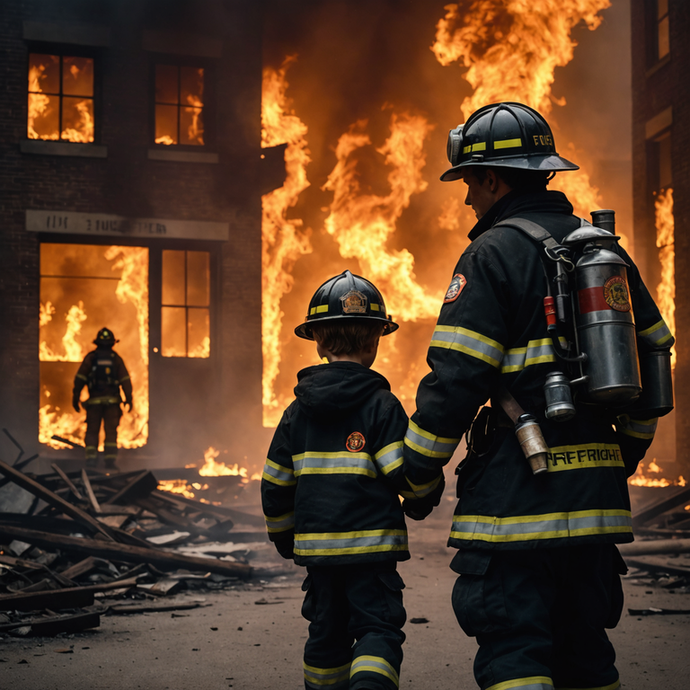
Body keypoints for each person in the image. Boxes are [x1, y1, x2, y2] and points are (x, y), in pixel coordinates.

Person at [402, 102, 674, 690]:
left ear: (494, 179)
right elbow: (654, 356)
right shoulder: (605, 253)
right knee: (586, 655)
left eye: (470, 183)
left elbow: (456, 380)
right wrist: (620, 454)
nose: (468, 198)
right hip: (597, 501)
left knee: (515, 653)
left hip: (516, 505)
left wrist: (418, 473)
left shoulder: (490, 255)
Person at [261, 270, 436, 690]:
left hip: (317, 557)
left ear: (318, 341)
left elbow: (275, 486)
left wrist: (286, 539)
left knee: (326, 636)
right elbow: (407, 478)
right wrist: (423, 496)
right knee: (378, 629)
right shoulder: (382, 406)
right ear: (375, 341)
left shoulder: (295, 413)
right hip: (371, 555)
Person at [72, 327, 133, 470]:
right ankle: (110, 461)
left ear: (97, 343)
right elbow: (125, 380)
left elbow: (80, 378)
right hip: (112, 403)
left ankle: (91, 461)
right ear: (112, 343)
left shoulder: (91, 358)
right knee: (111, 432)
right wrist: (129, 398)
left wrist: (75, 396)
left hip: (94, 403)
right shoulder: (116, 359)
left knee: (92, 431)